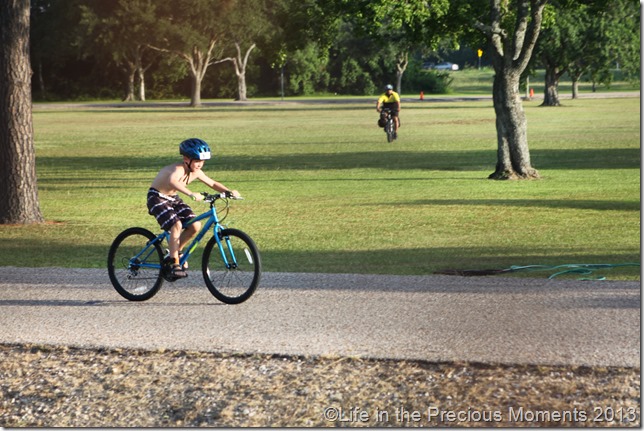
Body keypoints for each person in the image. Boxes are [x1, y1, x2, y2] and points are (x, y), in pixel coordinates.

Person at [147, 138, 240, 278]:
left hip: (173, 198)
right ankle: (174, 262)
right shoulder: (178, 169)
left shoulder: (197, 172)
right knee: (176, 225)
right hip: (157, 197)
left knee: (195, 225)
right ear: (186, 159)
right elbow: (172, 181)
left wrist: (229, 192)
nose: (200, 164)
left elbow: (213, 183)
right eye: (197, 161)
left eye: (202, 161)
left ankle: (175, 251)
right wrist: (190, 194)